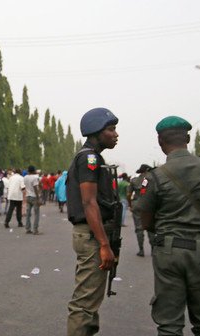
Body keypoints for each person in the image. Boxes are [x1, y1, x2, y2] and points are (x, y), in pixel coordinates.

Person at [138, 116, 200, 336]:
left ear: (160, 141)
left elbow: (146, 221)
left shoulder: (155, 177)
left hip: (169, 251)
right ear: (188, 138)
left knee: (169, 325)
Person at [66, 107, 119, 336]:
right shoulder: (89, 157)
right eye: (111, 129)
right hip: (92, 236)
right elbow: (89, 202)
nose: (116, 134)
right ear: (97, 131)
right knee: (84, 304)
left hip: (91, 235)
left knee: (90, 302)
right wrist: (104, 244)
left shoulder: (93, 157)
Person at [128, 164, 154, 257]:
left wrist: (130, 205)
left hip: (136, 204)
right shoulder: (147, 180)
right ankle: (153, 250)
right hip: (147, 205)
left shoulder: (134, 180)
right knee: (150, 228)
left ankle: (141, 250)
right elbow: (144, 191)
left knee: (139, 228)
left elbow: (129, 193)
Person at [24, 165, 42, 234]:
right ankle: (35, 230)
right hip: (34, 197)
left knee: (28, 214)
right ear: (34, 170)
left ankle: (28, 228)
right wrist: (38, 198)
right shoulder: (35, 177)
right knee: (36, 213)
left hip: (28, 196)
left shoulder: (25, 177)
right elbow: (35, 187)